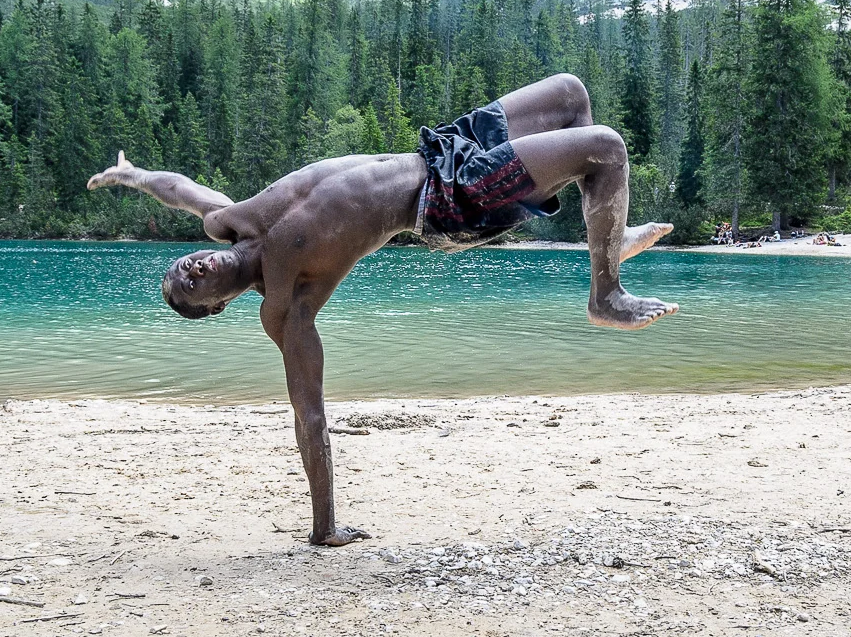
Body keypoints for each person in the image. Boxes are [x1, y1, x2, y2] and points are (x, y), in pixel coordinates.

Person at [87, 75, 678, 546]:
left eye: (182, 267)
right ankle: (604, 294)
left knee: (571, 96)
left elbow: (178, 188)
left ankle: (610, 238)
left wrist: (132, 175)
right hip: (447, 199)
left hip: (439, 151)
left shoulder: (229, 218)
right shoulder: (287, 306)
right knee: (605, 148)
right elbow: (309, 415)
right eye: (188, 287)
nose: (190, 270)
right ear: (216, 306)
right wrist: (324, 526)